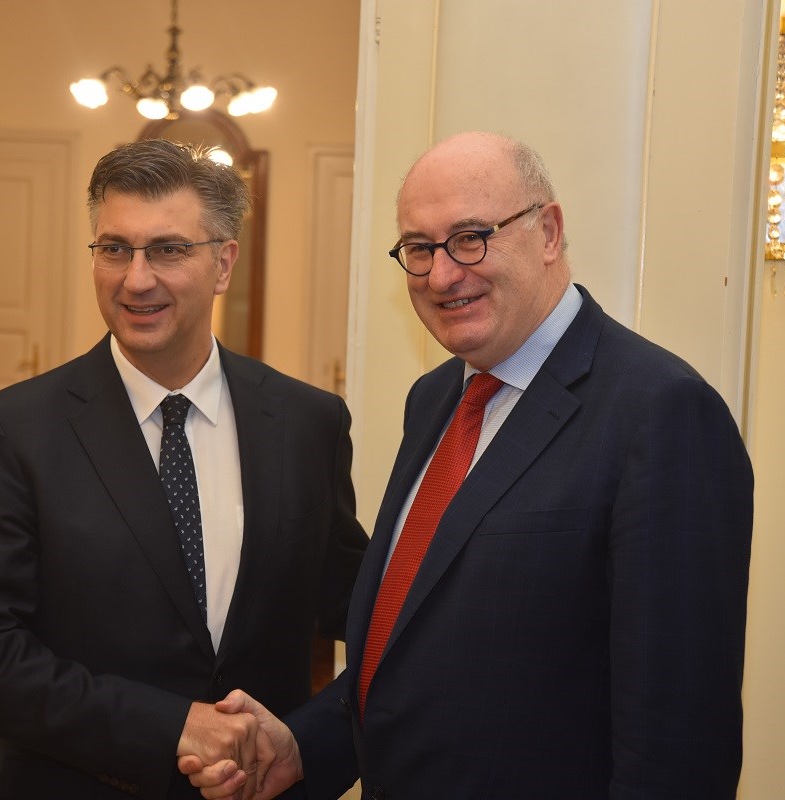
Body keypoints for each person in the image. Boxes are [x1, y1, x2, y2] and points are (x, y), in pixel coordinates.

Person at [184, 131, 754, 799]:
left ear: (548, 232)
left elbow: (679, 743)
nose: (443, 274)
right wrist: (303, 747)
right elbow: (410, 653)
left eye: (471, 238)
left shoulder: (661, 412)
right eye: (420, 249)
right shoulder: (436, 399)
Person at [0, 138, 368, 800]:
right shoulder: (15, 430)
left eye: (167, 249)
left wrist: (310, 742)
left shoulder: (307, 423)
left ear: (224, 263)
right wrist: (173, 728)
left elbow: (362, 616)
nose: (135, 279)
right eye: (115, 249)